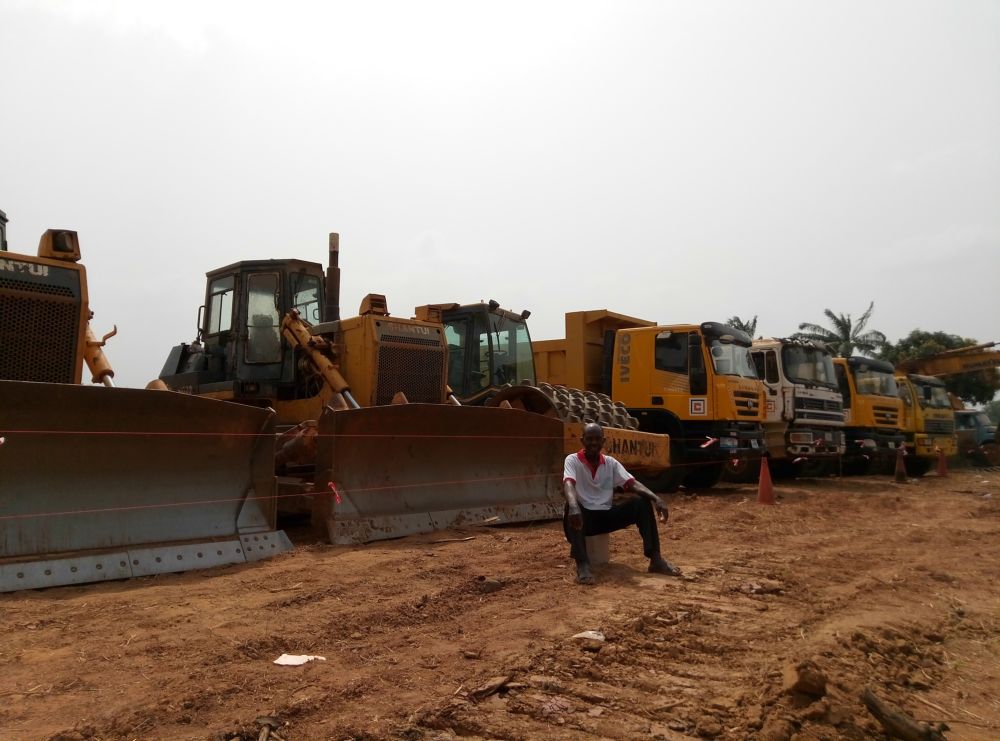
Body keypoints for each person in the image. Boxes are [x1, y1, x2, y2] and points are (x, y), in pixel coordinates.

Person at [563, 422, 681, 585]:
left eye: (598, 439)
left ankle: (656, 559)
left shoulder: (610, 463)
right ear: (582, 441)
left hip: (606, 516)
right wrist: (574, 506)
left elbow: (631, 483)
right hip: (584, 519)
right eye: (590, 439)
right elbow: (568, 483)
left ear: (604, 441)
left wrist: (656, 498)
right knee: (571, 505)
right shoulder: (572, 460)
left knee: (641, 502)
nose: (594, 443)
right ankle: (582, 565)